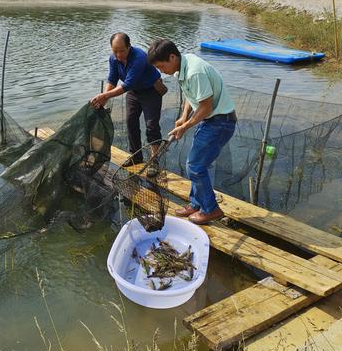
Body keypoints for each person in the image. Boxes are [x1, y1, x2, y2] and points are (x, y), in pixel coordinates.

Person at [147, 39, 236, 225]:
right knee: (196, 164)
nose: (161, 71)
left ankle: (211, 210)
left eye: (162, 66)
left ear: (172, 57)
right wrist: (183, 116)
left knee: (195, 166)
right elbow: (191, 95)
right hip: (211, 120)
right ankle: (196, 204)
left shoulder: (195, 72)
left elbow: (206, 107)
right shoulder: (183, 66)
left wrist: (185, 126)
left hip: (220, 122)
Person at [90, 33, 167, 177]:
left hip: (151, 90)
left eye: (121, 51)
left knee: (152, 125)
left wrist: (104, 96)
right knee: (130, 121)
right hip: (134, 92)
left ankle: (154, 161)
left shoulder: (139, 57)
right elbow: (112, 80)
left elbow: (128, 83)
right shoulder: (113, 59)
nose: (118, 54)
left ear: (129, 47)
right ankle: (136, 156)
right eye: (115, 51)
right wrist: (104, 98)